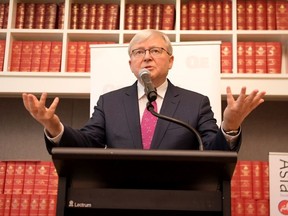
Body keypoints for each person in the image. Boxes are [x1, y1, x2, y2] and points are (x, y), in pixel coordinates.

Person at [22, 29, 266, 154]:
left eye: (156, 51)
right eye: (139, 52)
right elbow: (87, 144)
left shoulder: (196, 103)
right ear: (131, 64)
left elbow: (215, 152)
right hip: (119, 197)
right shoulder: (110, 102)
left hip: (179, 198)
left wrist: (230, 126)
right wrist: (54, 127)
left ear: (170, 61)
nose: (147, 56)